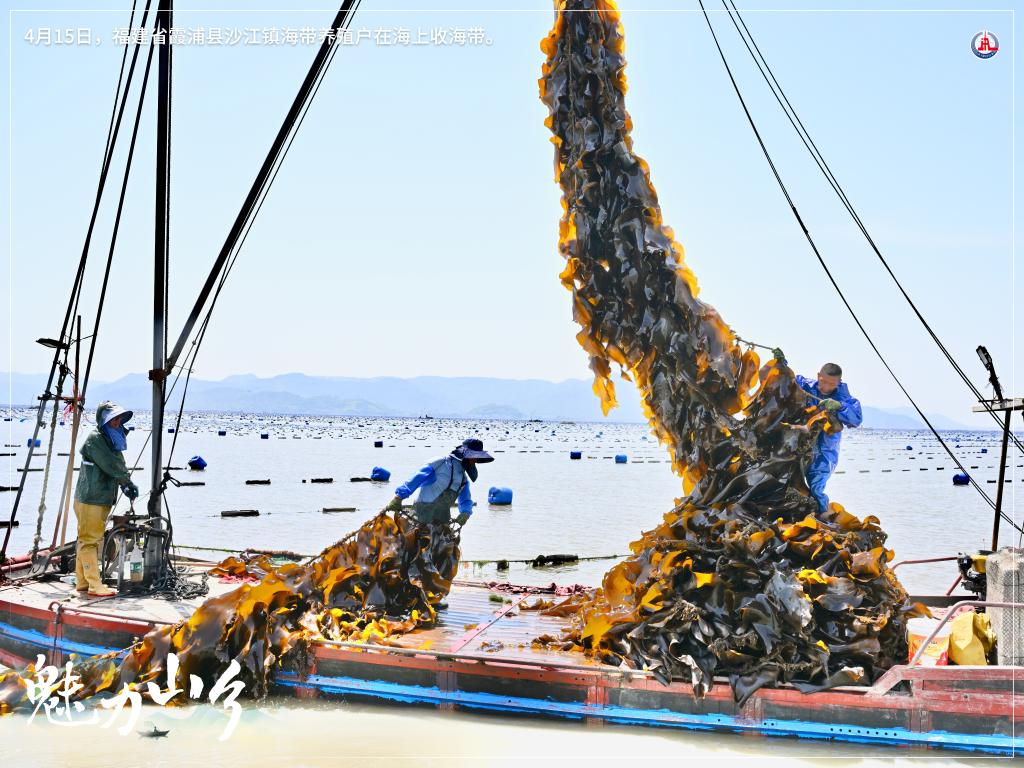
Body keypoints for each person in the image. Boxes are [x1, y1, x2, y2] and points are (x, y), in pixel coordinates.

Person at [774, 352, 863, 512]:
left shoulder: (844, 398)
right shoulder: (806, 385)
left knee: (816, 487)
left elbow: (856, 418)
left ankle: (821, 516)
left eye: (831, 384)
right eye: (823, 381)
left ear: (839, 382)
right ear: (818, 376)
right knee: (786, 482)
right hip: (798, 445)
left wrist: (839, 406)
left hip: (825, 451)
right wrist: (781, 363)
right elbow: (787, 379)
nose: (826, 387)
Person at [73, 401, 139, 597]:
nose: (117, 422)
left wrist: (125, 483)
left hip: (98, 498)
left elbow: (117, 463)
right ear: (104, 421)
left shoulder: (111, 439)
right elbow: (112, 464)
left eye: (119, 418)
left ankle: (82, 582)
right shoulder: (96, 439)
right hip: (91, 499)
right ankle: (95, 585)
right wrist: (126, 482)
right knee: (89, 541)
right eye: (113, 419)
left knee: (85, 539)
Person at [384, 438, 494, 526]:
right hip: (422, 513)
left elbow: (465, 500)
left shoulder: (463, 479)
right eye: (473, 457)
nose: (475, 460)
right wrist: (399, 497)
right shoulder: (440, 463)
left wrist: (465, 513)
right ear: (464, 454)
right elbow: (416, 479)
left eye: (477, 458)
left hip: (443, 518)